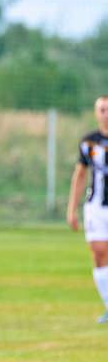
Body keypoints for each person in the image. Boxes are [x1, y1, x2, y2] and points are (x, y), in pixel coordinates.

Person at [67, 95, 108, 323]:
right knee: (99, 251)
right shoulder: (89, 142)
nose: (105, 113)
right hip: (96, 206)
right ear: (96, 113)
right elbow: (80, 174)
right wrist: (71, 209)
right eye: (101, 109)